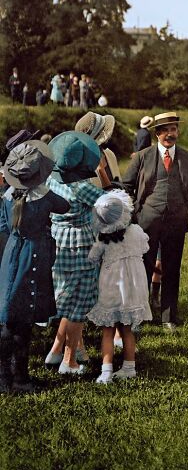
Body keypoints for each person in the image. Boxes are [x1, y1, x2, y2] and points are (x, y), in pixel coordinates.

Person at [0, 141, 69, 393]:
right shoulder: (45, 196)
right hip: (34, 256)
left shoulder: (8, 196)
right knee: (25, 320)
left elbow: (4, 227)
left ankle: (4, 377)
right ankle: (20, 378)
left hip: (12, 254)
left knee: (9, 317)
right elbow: (65, 206)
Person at [122, 112, 188, 331]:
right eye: (165, 130)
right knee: (143, 268)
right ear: (157, 133)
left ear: (178, 131)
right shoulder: (142, 157)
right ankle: (140, 314)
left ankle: (168, 317)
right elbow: (126, 186)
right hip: (146, 221)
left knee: (172, 268)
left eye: (173, 129)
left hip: (177, 221)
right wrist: (135, 212)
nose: (170, 134)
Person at [44, 131, 103, 374]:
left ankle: (56, 350)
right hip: (80, 244)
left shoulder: (50, 180)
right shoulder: (81, 187)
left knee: (65, 298)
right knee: (80, 302)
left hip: (57, 240)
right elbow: (109, 203)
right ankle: (69, 360)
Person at [87, 190, 152, 384]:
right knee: (126, 329)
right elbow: (145, 248)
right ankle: (129, 366)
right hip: (133, 288)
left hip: (111, 286)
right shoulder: (137, 232)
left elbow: (92, 258)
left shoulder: (102, 239)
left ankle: (106, 371)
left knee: (108, 329)